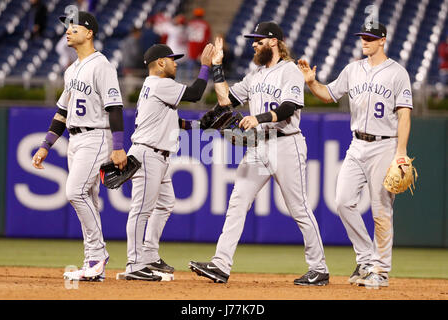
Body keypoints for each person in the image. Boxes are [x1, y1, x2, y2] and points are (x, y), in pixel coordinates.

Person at [189, 21, 329, 286]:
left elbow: (289, 106)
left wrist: (259, 117)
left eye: (258, 40)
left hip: (286, 143)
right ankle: (220, 264)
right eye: (253, 40)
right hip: (259, 145)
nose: (253, 44)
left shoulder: (290, 71)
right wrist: (217, 66)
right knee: (237, 202)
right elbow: (225, 99)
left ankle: (319, 268)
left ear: (274, 42)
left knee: (298, 207)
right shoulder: (255, 75)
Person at [297, 22, 413, 288]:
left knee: (380, 210)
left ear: (383, 40)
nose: (365, 41)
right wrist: (312, 82)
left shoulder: (397, 73)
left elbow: (404, 115)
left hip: (385, 145)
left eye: (371, 38)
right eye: (363, 37)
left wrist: (401, 152)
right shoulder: (352, 69)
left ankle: (380, 271)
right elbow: (328, 94)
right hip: (357, 143)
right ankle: (365, 259)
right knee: (342, 201)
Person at [32, 11, 127, 282]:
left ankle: (98, 254)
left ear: (89, 33)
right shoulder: (71, 70)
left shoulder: (102, 65)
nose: (68, 30)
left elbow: (115, 106)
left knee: (75, 192)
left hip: (96, 136)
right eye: (67, 27)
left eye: (75, 27)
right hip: (75, 139)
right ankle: (93, 265)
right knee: (90, 200)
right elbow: (62, 112)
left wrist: (118, 146)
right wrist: (46, 145)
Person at [123, 43, 215, 281]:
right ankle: (134, 263)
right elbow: (195, 94)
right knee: (141, 210)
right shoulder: (160, 83)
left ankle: (150, 255)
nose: (176, 63)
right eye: (172, 59)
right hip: (147, 154)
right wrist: (205, 66)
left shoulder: (153, 86)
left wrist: (200, 126)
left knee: (165, 203)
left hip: (158, 155)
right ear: (161, 63)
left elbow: (172, 121)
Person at [186, 7, 211, 79]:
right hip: (201, 48)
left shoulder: (190, 23)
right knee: (202, 67)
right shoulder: (205, 24)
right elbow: (208, 38)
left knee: (190, 68)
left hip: (192, 47)